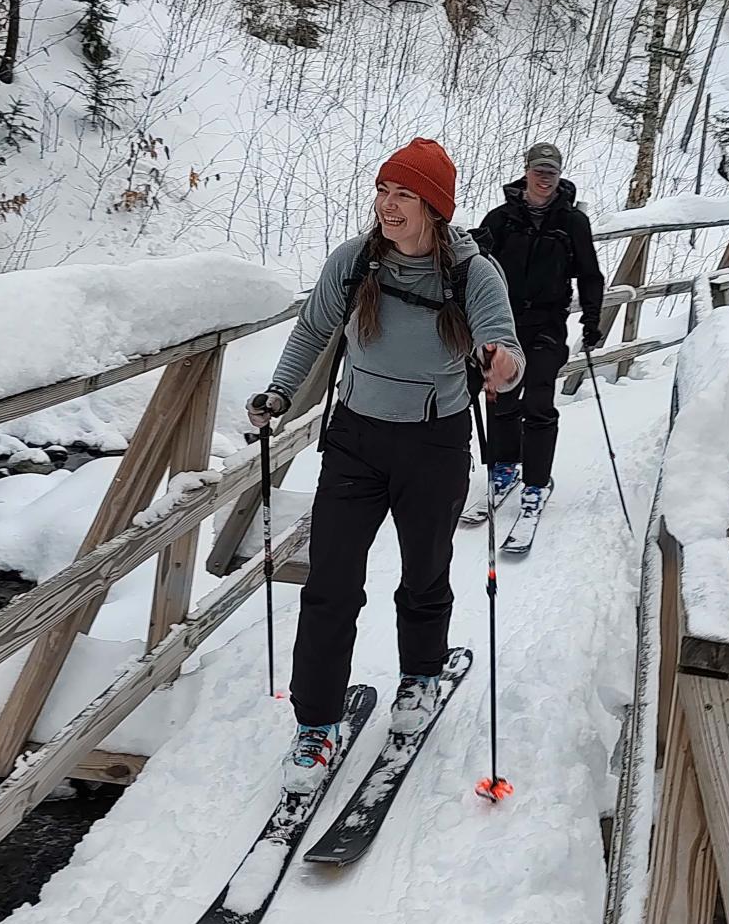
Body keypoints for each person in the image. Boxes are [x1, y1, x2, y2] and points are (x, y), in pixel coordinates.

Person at [249, 138, 524, 794]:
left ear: (434, 206)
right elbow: (313, 331)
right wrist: (281, 393)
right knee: (330, 585)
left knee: (423, 574)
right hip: (355, 441)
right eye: (382, 190)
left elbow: (505, 349)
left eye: (403, 193)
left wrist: (501, 364)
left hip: (434, 444)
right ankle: (315, 724)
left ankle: (422, 676)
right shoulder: (353, 262)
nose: (387, 204)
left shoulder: (471, 273)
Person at [479, 141, 606, 521]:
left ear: (559, 174)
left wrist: (592, 320)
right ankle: (504, 467)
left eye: (552, 171)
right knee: (500, 396)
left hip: (548, 323)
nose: (545, 177)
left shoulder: (572, 223)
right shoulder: (500, 219)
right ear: (527, 172)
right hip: (502, 323)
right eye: (539, 170)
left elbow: (589, 274)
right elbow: (477, 266)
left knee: (537, 400)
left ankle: (536, 482)